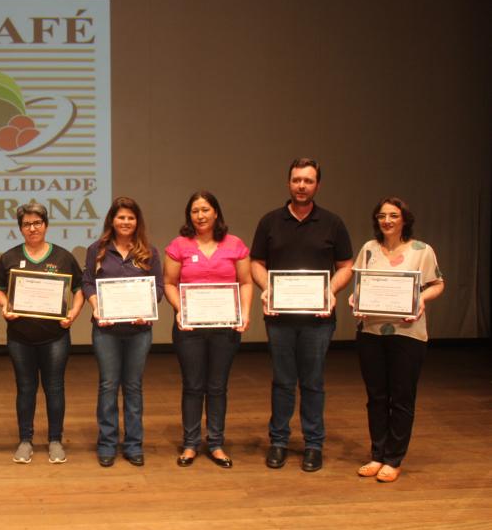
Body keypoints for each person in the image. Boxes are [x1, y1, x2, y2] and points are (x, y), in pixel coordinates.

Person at [250, 158, 352, 472]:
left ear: (317, 185)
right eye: (296, 180)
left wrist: (330, 291)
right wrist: (267, 287)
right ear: (288, 183)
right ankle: (278, 442)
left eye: (308, 181)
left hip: (318, 320)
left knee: (312, 382)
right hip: (279, 318)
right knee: (282, 382)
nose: (302, 186)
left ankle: (313, 445)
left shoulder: (332, 223)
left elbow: (346, 266)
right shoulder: (270, 221)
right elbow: (256, 263)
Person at [350, 197, 443, 483]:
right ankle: (377, 454)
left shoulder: (421, 250)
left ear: (404, 219)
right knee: (376, 397)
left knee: (401, 397)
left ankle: (394, 458)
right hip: (371, 333)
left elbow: (437, 284)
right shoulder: (369, 248)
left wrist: (420, 300)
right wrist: (355, 298)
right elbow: (360, 285)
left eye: (393, 215)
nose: (387, 220)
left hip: (408, 334)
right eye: (381, 216)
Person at [163, 191, 253, 469]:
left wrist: (245, 313)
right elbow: (169, 283)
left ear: (216, 212)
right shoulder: (179, 245)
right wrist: (182, 310)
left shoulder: (235, 244)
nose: (200, 216)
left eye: (205, 210)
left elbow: (247, 282)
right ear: (189, 215)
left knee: (217, 387)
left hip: (225, 328)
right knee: (192, 386)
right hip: (189, 328)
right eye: (194, 211)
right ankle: (190, 444)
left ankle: (215, 443)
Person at [0, 202, 84, 465]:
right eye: (26, 224)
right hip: (20, 338)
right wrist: (4, 304)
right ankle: (25, 440)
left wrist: (74, 313)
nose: (32, 228)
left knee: (55, 388)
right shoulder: (9, 257)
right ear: (20, 228)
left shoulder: (63, 257)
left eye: (37, 223)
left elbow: (79, 289)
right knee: (25, 389)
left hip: (55, 337)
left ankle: (55, 439)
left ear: (45, 225)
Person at [82, 197, 162, 467]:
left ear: (137, 221)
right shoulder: (98, 250)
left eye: (130, 217)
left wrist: (148, 307)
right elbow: (88, 283)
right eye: (120, 217)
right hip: (106, 330)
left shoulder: (149, 252)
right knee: (107, 386)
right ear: (112, 221)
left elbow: (159, 288)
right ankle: (106, 443)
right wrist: (95, 307)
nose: (125, 222)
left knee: (133, 387)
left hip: (139, 330)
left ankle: (133, 444)